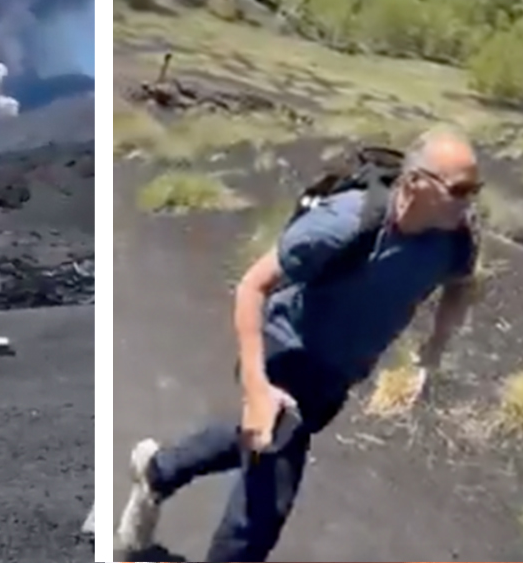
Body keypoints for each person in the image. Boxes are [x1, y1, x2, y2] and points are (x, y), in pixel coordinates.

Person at [116, 127, 486, 561]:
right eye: (459, 189)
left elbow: (462, 283)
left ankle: (159, 471)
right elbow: (252, 287)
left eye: (474, 190)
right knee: (265, 506)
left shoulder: (454, 237)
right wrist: (257, 388)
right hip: (285, 351)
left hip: (337, 373)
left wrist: (432, 355)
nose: (469, 201)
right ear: (415, 182)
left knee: (256, 437)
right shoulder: (344, 223)